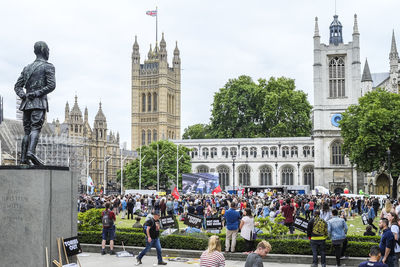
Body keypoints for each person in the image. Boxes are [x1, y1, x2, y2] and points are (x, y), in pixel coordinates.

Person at [14, 41, 56, 165]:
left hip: (26, 104)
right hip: (38, 103)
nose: (48, 51)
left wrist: (24, 95)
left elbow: (17, 86)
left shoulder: (27, 68)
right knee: (35, 129)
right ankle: (30, 152)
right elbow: (51, 85)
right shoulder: (48, 66)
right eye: (48, 49)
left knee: (27, 131)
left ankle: (23, 159)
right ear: (43, 50)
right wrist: (37, 94)